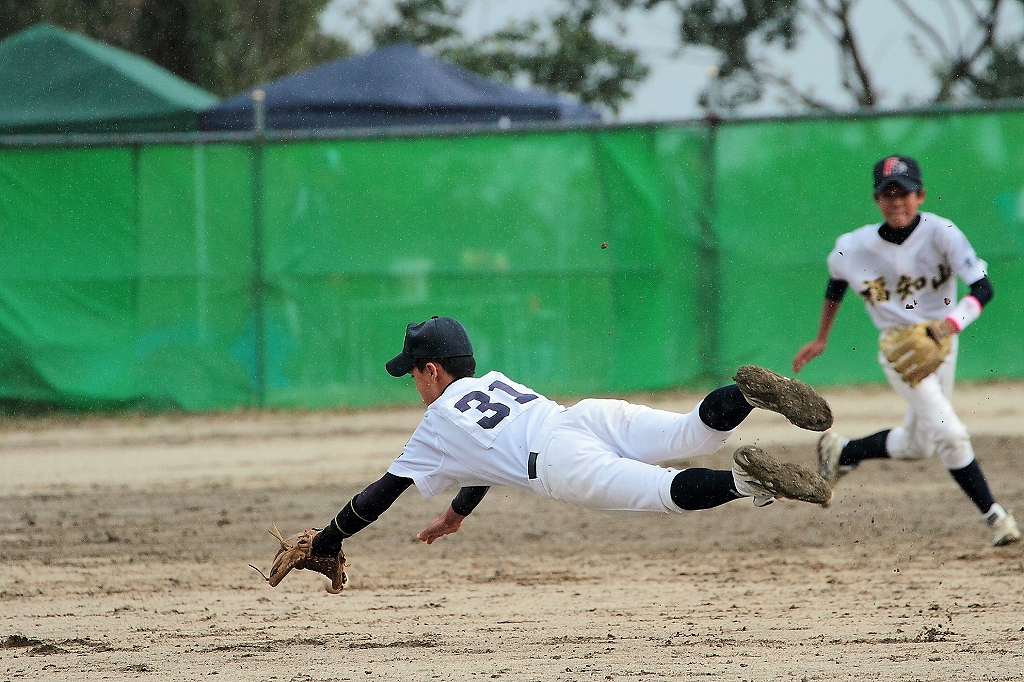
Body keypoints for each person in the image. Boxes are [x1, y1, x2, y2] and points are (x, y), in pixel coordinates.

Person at [269, 315, 835, 590]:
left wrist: (325, 541)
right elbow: (485, 459)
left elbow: (377, 497)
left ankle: (752, 485)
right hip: (583, 417)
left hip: (562, 465)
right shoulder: (494, 381)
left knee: (663, 493)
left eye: (411, 372)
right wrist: (456, 514)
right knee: (693, 434)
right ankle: (747, 395)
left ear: (432, 370)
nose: (411, 382)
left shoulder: (435, 423)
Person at [792, 154, 1020, 547]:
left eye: (905, 193)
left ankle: (843, 450)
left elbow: (983, 287)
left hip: (943, 341)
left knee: (920, 444)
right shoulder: (853, 246)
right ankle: (996, 517)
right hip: (900, 351)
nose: (897, 201)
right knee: (951, 436)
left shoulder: (941, 233)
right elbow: (836, 283)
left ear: (921, 195)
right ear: (876, 200)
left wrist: (949, 326)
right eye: (888, 194)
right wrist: (821, 337)